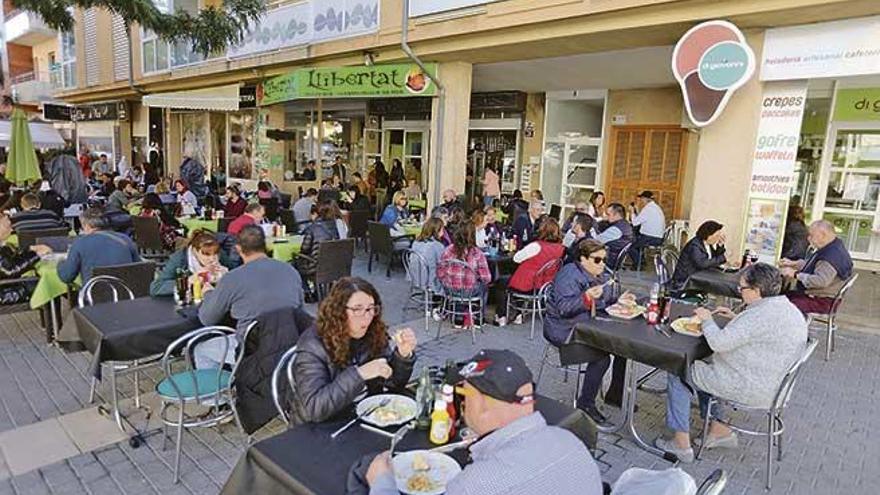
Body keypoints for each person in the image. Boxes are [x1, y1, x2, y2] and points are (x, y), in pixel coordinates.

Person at [366, 349, 602, 495]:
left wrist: (382, 484)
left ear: (482, 404)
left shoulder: (475, 485)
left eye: (464, 396)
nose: (462, 405)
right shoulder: (570, 440)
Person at [655, 263, 807, 463]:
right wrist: (737, 318)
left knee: (678, 368)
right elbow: (763, 331)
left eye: (742, 288)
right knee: (704, 366)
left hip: (751, 386)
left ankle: (680, 444)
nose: (739, 291)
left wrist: (707, 319)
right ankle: (719, 430)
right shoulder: (786, 308)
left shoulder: (758, 316)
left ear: (756, 290)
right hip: (775, 386)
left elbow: (719, 343)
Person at [289, 277, 416, 424]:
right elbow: (315, 409)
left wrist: (402, 355)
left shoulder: (374, 332)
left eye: (370, 308)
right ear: (338, 312)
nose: (367, 317)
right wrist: (360, 374)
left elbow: (392, 385)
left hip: (364, 416)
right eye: (357, 309)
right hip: (322, 427)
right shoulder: (313, 344)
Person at [196, 225, 304, 368]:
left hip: (252, 351)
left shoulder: (232, 278)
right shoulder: (290, 271)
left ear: (238, 249)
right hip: (291, 345)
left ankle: (223, 388)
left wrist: (208, 293)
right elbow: (300, 311)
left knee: (200, 350)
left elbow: (206, 319)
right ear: (265, 245)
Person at [544, 240, 626, 424]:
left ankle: (615, 394)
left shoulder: (597, 273)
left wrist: (620, 299)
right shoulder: (569, 275)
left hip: (586, 326)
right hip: (564, 330)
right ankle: (585, 404)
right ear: (582, 259)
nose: (603, 264)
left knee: (624, 347)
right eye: (597, 260)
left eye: (604, 259)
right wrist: (586, 297)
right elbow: (564, 309)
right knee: (602, 358)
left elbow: (605, 298)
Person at [495, 219, 565, 326]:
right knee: (517, 282)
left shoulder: (536, 246)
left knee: (502, 282)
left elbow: (516, 259)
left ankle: (501, 316)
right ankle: (519, 314)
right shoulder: (561, 248)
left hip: (529, 285)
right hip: (545, 286)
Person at [780, 219, 854, 315]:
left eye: (811, 235)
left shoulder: (829, 257)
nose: (808, 239)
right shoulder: (834, 245)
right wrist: (793, 263)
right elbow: (815, 266)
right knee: (781, 298)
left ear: (823, 235)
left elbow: (820, 281)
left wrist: (795, 274)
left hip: (822, 301)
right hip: (823, 296)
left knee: (781, 305)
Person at [57, 207, 140, 284]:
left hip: (93, 295)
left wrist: (60, 263)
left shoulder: (80, 243)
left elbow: (66, 277)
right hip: (126, 294)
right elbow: (138, 267)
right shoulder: (125, 239)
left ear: (86, 225)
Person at [437, 221, 491, 326]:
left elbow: (440, 272)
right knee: (484, 287)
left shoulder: (448, 250)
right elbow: (486, 278)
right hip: (470, 291)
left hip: (450, 290)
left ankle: (458, 317)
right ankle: (478, 318)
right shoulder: (477, 253)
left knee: (459, 286)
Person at [150, 230, 231, 297]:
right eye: (206, 254)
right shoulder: (180, 259)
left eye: (215, 253)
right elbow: (156, 287)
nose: (212, 258)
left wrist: (226, 275)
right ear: (194, 251)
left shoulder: (219, 254)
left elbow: (236, 272)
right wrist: (188, 281)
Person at [0, 214, 51, 305]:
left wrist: (30, 249)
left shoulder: (3, 245)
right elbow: (10, 270)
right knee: (47, 285)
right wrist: (36, 254)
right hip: (6, 292)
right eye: (8, 226)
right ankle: (55, 317)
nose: (12, 230)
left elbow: (11, 261)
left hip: (6, 285)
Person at [670, 220, 727, 291]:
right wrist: (723, 257)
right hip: (685, 281)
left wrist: (720, 246)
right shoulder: (695, 245)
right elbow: (702, 264)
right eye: (717, 236)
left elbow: (713, 259)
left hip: (697, 277)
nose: (718, 238)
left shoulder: (707, 244)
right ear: (708, 235)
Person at [295, 201, 341, 282]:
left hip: (315, 267)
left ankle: (306, 290)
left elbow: (304, 249)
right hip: (332, 265)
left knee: (293, 263)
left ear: (316, 214)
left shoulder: (312, 228)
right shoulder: (334, 227)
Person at [630, 191, 666, 268]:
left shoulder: (648, 209)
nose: (641, 200)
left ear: (645, 199)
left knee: (630, 246)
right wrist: (637, 210)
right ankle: (641, 261)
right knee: (637, 238)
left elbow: (635, 223)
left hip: (651, 238)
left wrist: (632, 211)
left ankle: (639, 265)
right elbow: (642, 219)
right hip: (658, 237)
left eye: (642, 199)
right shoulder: (655, 207)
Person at [411, 218, 447, 294]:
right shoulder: (438, 246)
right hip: (430, 281)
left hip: (415, 277)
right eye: (442, 230)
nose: (443, 232)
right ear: (437, 231)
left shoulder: (416, 242)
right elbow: (443, 265)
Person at [594, 203, 633, 270]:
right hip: (613, 257)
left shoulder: (616, 229)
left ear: (617, 215)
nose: (606, 217)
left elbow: (596, 240)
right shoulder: (625, 225)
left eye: (608, 214)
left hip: (608, 259)